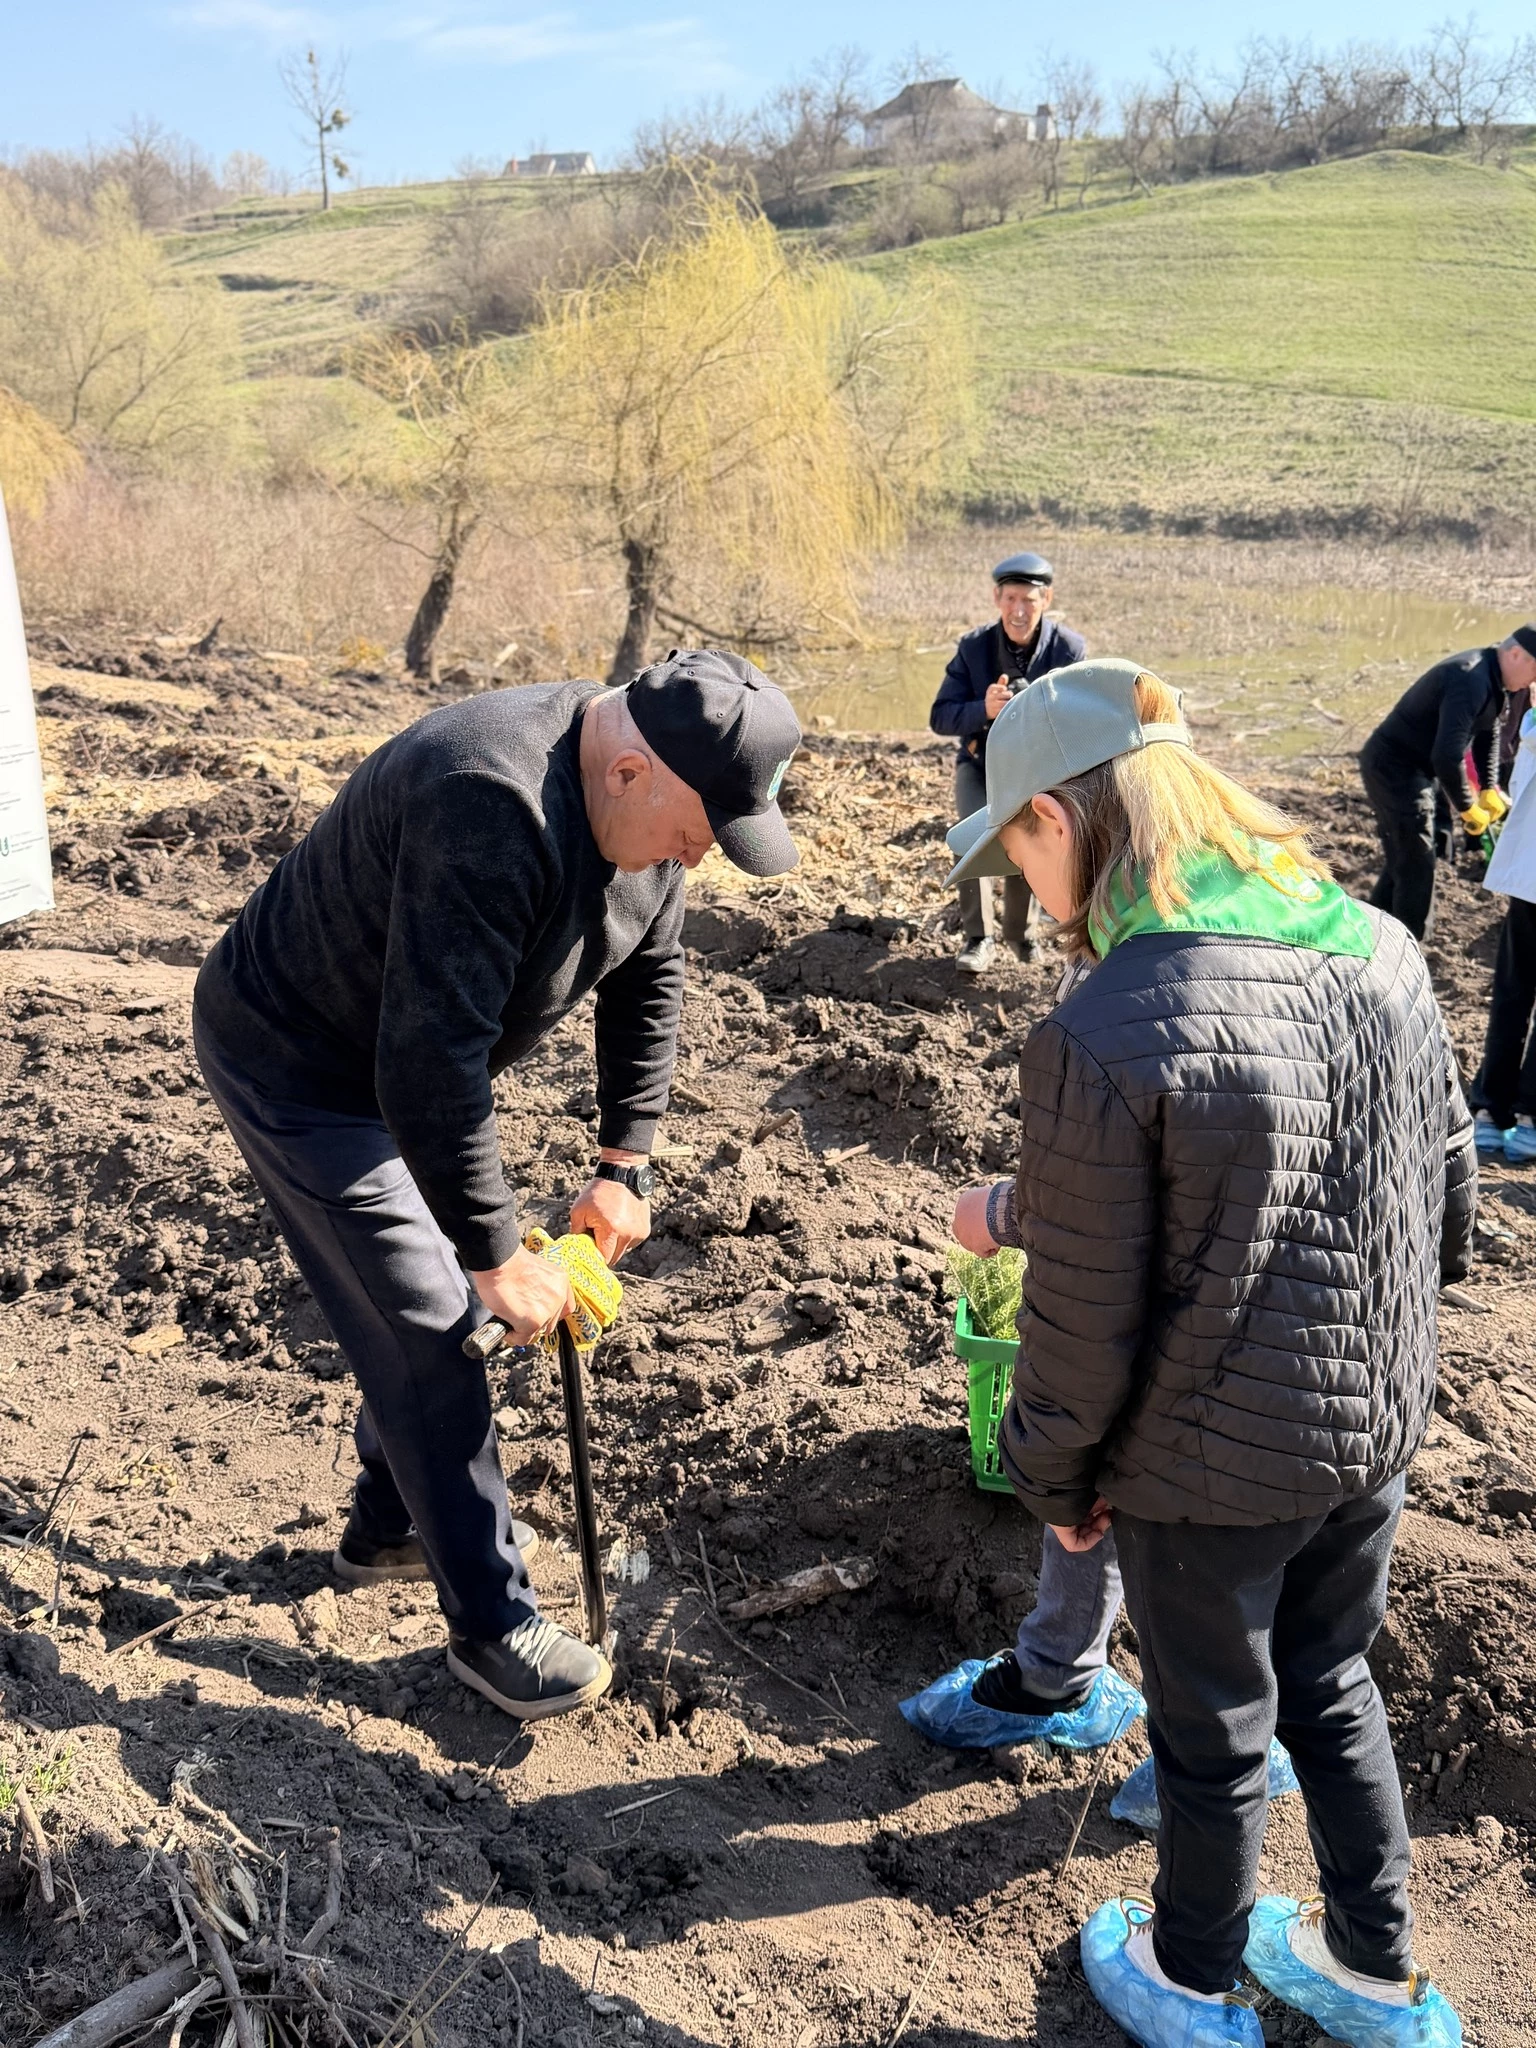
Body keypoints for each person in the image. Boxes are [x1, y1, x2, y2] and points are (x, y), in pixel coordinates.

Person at [943, 657, 1473, 2048]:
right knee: (1330, 1679)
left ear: (1059, 821)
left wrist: (1055, 1477)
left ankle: (1189, 1977)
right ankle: (1373, 1970)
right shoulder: (1380, 948)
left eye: (1016, 850)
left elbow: (1082, 1312)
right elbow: (1451, 1193)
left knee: (1209, 1726)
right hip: (1372, 1429)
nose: (1022, 884)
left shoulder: (1106, 1028)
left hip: (1206, 1459)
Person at [193, 650, 801, 1722]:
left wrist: (626, 1160)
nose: (700, 854)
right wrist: (499, 1256)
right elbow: (427, 1069)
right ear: (626, 771)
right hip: (298, 1062)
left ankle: (389, 1524)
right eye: (697, 826)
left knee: (423, 1299)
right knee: (437, 1317)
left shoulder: (648, 814)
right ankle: (494, 1626)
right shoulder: (489, 800)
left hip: (401, 1058)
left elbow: (650, 970)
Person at [929, 550, 1085, 974]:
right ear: (997, 598)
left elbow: (1080, 721)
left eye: (1029, 601)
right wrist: (984, 710)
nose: (1019, 611)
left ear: (1046, 600)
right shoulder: (973, 648)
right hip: (979, 763)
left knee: (1029, 844)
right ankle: (978, 938)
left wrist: (1033, 708)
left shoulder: (1069, 650)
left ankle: (1021, 935)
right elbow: (940, 717)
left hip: (1037, 769)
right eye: (1011, 599)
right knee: (973, 840)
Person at [1358, 627, 1536, 940]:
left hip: (1414, 769)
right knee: (1418, 862)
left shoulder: (1494, 679)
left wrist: (1488, 788)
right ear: (1516, 653)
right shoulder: (1470, 677)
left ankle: (1371, 934)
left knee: (1406, 855)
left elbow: (1489, 732)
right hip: (1394, 768)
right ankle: (1410, 948)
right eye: (1535, 669)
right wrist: (1467, 808)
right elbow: (1446, 756)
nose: (1533, 681)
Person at [1471, 693, 1536, 1163]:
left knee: (1513, 992)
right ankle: (1531, 1118)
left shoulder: (1531, 725)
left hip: (1527, 878)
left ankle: (1490, 1115)